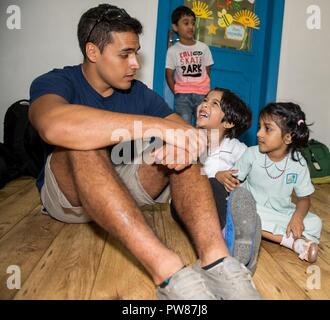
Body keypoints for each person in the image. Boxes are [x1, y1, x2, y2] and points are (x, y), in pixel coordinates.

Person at [29, 3, 261, 300]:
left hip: (118, 188)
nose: (135, 63)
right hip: (67, 194)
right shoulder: (57, 81)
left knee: (180, 144)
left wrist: (182, 141)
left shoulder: (137, 93)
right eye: (125, 54)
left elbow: (192, 134)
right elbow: (52, 126)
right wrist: (155, 126)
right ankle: (168, 272)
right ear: (93, 52)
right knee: (81, 142)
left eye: (136, 52)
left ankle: (217, 261)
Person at [172, 88, 261, 274]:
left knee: (235, 194)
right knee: (212, 184)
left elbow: (255, 169)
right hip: (185, 205)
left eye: (214, 104)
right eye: (205, 100)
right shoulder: (190, 140)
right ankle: (222, 242)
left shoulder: (236, 148)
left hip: (221, 205)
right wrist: (216, 177)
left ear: (228, 122)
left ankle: (238, 238)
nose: (204, 104)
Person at [226, 103, 322, 263]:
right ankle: (292, 242)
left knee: (315, 222)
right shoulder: (251, 154)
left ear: (288, 137)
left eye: (267, 129)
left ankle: (257, 231)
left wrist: (297, 217)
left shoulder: (298, 163)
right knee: (240, 211)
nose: (258, 133)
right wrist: (227, 180)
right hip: (252, 207)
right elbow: (233, 181)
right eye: (259, 127)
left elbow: (304, 199)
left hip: (280, 212)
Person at [165, 6, 214, 125]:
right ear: (175, 27)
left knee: (202, 125)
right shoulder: (173, 51)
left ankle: (201, 144)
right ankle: (185, 144)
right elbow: (169, 75)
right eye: (186, 23)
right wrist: (177, 91)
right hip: (182, 96)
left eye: (193, 23)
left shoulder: (203, 48)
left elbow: (207, 71)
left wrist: (203, 87)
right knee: (183, 125)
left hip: (202, 94)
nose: (190, 26)